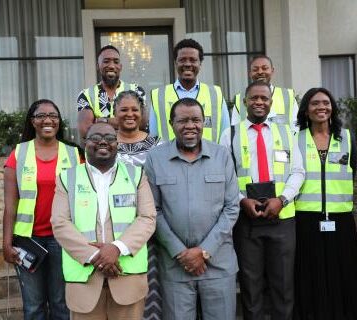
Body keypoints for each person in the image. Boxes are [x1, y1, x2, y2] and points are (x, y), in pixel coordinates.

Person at [144, 97, 239, 320]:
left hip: (218, 264)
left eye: (196, 120)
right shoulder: (155, 158)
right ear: (171, 123)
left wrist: (203, 251)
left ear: (204, 122)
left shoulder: (222, 156)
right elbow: (152, 210)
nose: (190, 126)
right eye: (183, 120)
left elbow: (232, 207)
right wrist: (181, 252)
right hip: (175, 265)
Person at [51, 122, 156, 319]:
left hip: (127, 279)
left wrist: (116, 248)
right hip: (84, 282)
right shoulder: (67, 178)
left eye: (109, 138)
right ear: (84, 142)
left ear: (117, 143)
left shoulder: (136, 175)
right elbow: (60, 222)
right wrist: (95, 256)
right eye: (95, 137)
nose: (102, 142)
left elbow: (147, 217)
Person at [232, 81, 304, 320]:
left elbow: (298, 172)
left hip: (282, 219)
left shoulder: (286, 132)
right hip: (246, 220)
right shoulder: (231, 133)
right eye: (254, 98)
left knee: (283, 285)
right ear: (245, 102)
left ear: (271, 103)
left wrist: (282, 200)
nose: (259, 102)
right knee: (251, 287)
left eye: (264, 98)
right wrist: (242, 201)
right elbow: (225, 175)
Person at [3, 99, 80, 320]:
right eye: (41, 116)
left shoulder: (74, 155)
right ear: (32, 121)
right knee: (33, 306)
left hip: (62, 240)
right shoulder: (19, 153)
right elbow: (11, 205)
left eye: (53, 116)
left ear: (59, 121)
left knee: (60, 305)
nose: (48, 120)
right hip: (28, 241)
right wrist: (7, 243)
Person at [294, 87, 357, 320]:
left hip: (341, 219)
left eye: (326, 102)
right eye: (314, 103)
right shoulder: (295, 139)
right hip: (305, 218)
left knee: (344, 273)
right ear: (306, 110)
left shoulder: (347, 138)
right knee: (309, 274)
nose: (321, 107)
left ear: (332, 108)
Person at [113, 90, 162, 320]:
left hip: (151, 230)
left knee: (152, 292)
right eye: (124, 109)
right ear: (115, 113)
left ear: (142, 113)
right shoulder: (105, 143)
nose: (130, 114)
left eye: (134, 109)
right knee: (121, 294)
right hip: (115, 232)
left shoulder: (158, 145)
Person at [149, 38, 230, 143]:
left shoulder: (215, 94)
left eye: (193, 60)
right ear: (175, 63)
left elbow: (226, 134)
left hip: (210, 158)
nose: (187, 64)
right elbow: (153, 137)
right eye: (182, 60)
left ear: (200, 63)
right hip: (168, 158)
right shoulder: (158, 96)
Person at [77, 45, 145, 137]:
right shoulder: (87, 95)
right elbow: (85, 130)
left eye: (116, 62)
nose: (112, 66)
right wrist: (126, 124)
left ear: (120, 67)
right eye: (106, 61)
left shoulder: (137, 91)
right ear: (98, 66)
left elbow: (142, 124)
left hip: (132, 150)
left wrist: (103, 120)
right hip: (100, 150)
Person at [232, 55, 299, 133]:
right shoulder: (240, 99)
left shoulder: (288, 96)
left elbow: (296, 129)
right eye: (255, 69)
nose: (260, 72)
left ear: (272, 71)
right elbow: (235, 131)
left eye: (264, 68)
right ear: (250, 73)